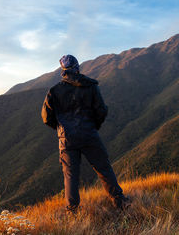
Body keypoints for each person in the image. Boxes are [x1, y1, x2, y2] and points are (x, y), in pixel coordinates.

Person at [41, 54, 129, 213]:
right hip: (89, 134)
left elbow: (46, 117)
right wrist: (93, 125)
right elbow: (101, 110)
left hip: (67, 140)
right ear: (77, 67)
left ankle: (72, 211)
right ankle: (119, 201)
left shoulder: (54, 91)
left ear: (63, 70)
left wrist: (61, 129)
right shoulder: (90, 86)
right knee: (103, 168)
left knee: (70, 176)